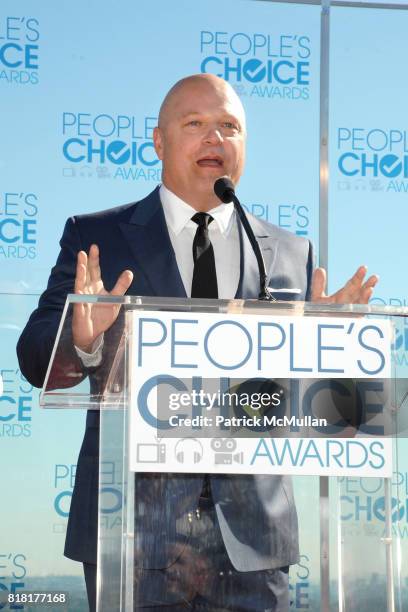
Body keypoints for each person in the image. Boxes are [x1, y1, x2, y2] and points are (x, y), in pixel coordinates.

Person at [17, 74, 378, 611]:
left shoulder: (287, 252)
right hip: (132, 539)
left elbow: (315, 408)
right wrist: (82, 338)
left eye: (229, 126)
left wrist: (332, 351)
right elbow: (35, 357)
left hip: (254, 546)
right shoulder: (99, 237)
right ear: (159, 141)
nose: (215, 139)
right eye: (196, 124)